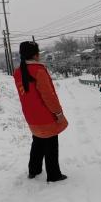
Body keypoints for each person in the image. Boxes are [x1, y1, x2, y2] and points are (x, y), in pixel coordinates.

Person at [13, 41, 68, 182]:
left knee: (37, 142)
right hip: (46, 116)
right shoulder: (39, 70)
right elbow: (48, 96)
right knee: (51, 145)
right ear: (36, 54)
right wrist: (58, 113)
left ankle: (34, 170)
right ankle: (54, 175)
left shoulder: (18, 72)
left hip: (31, 116)